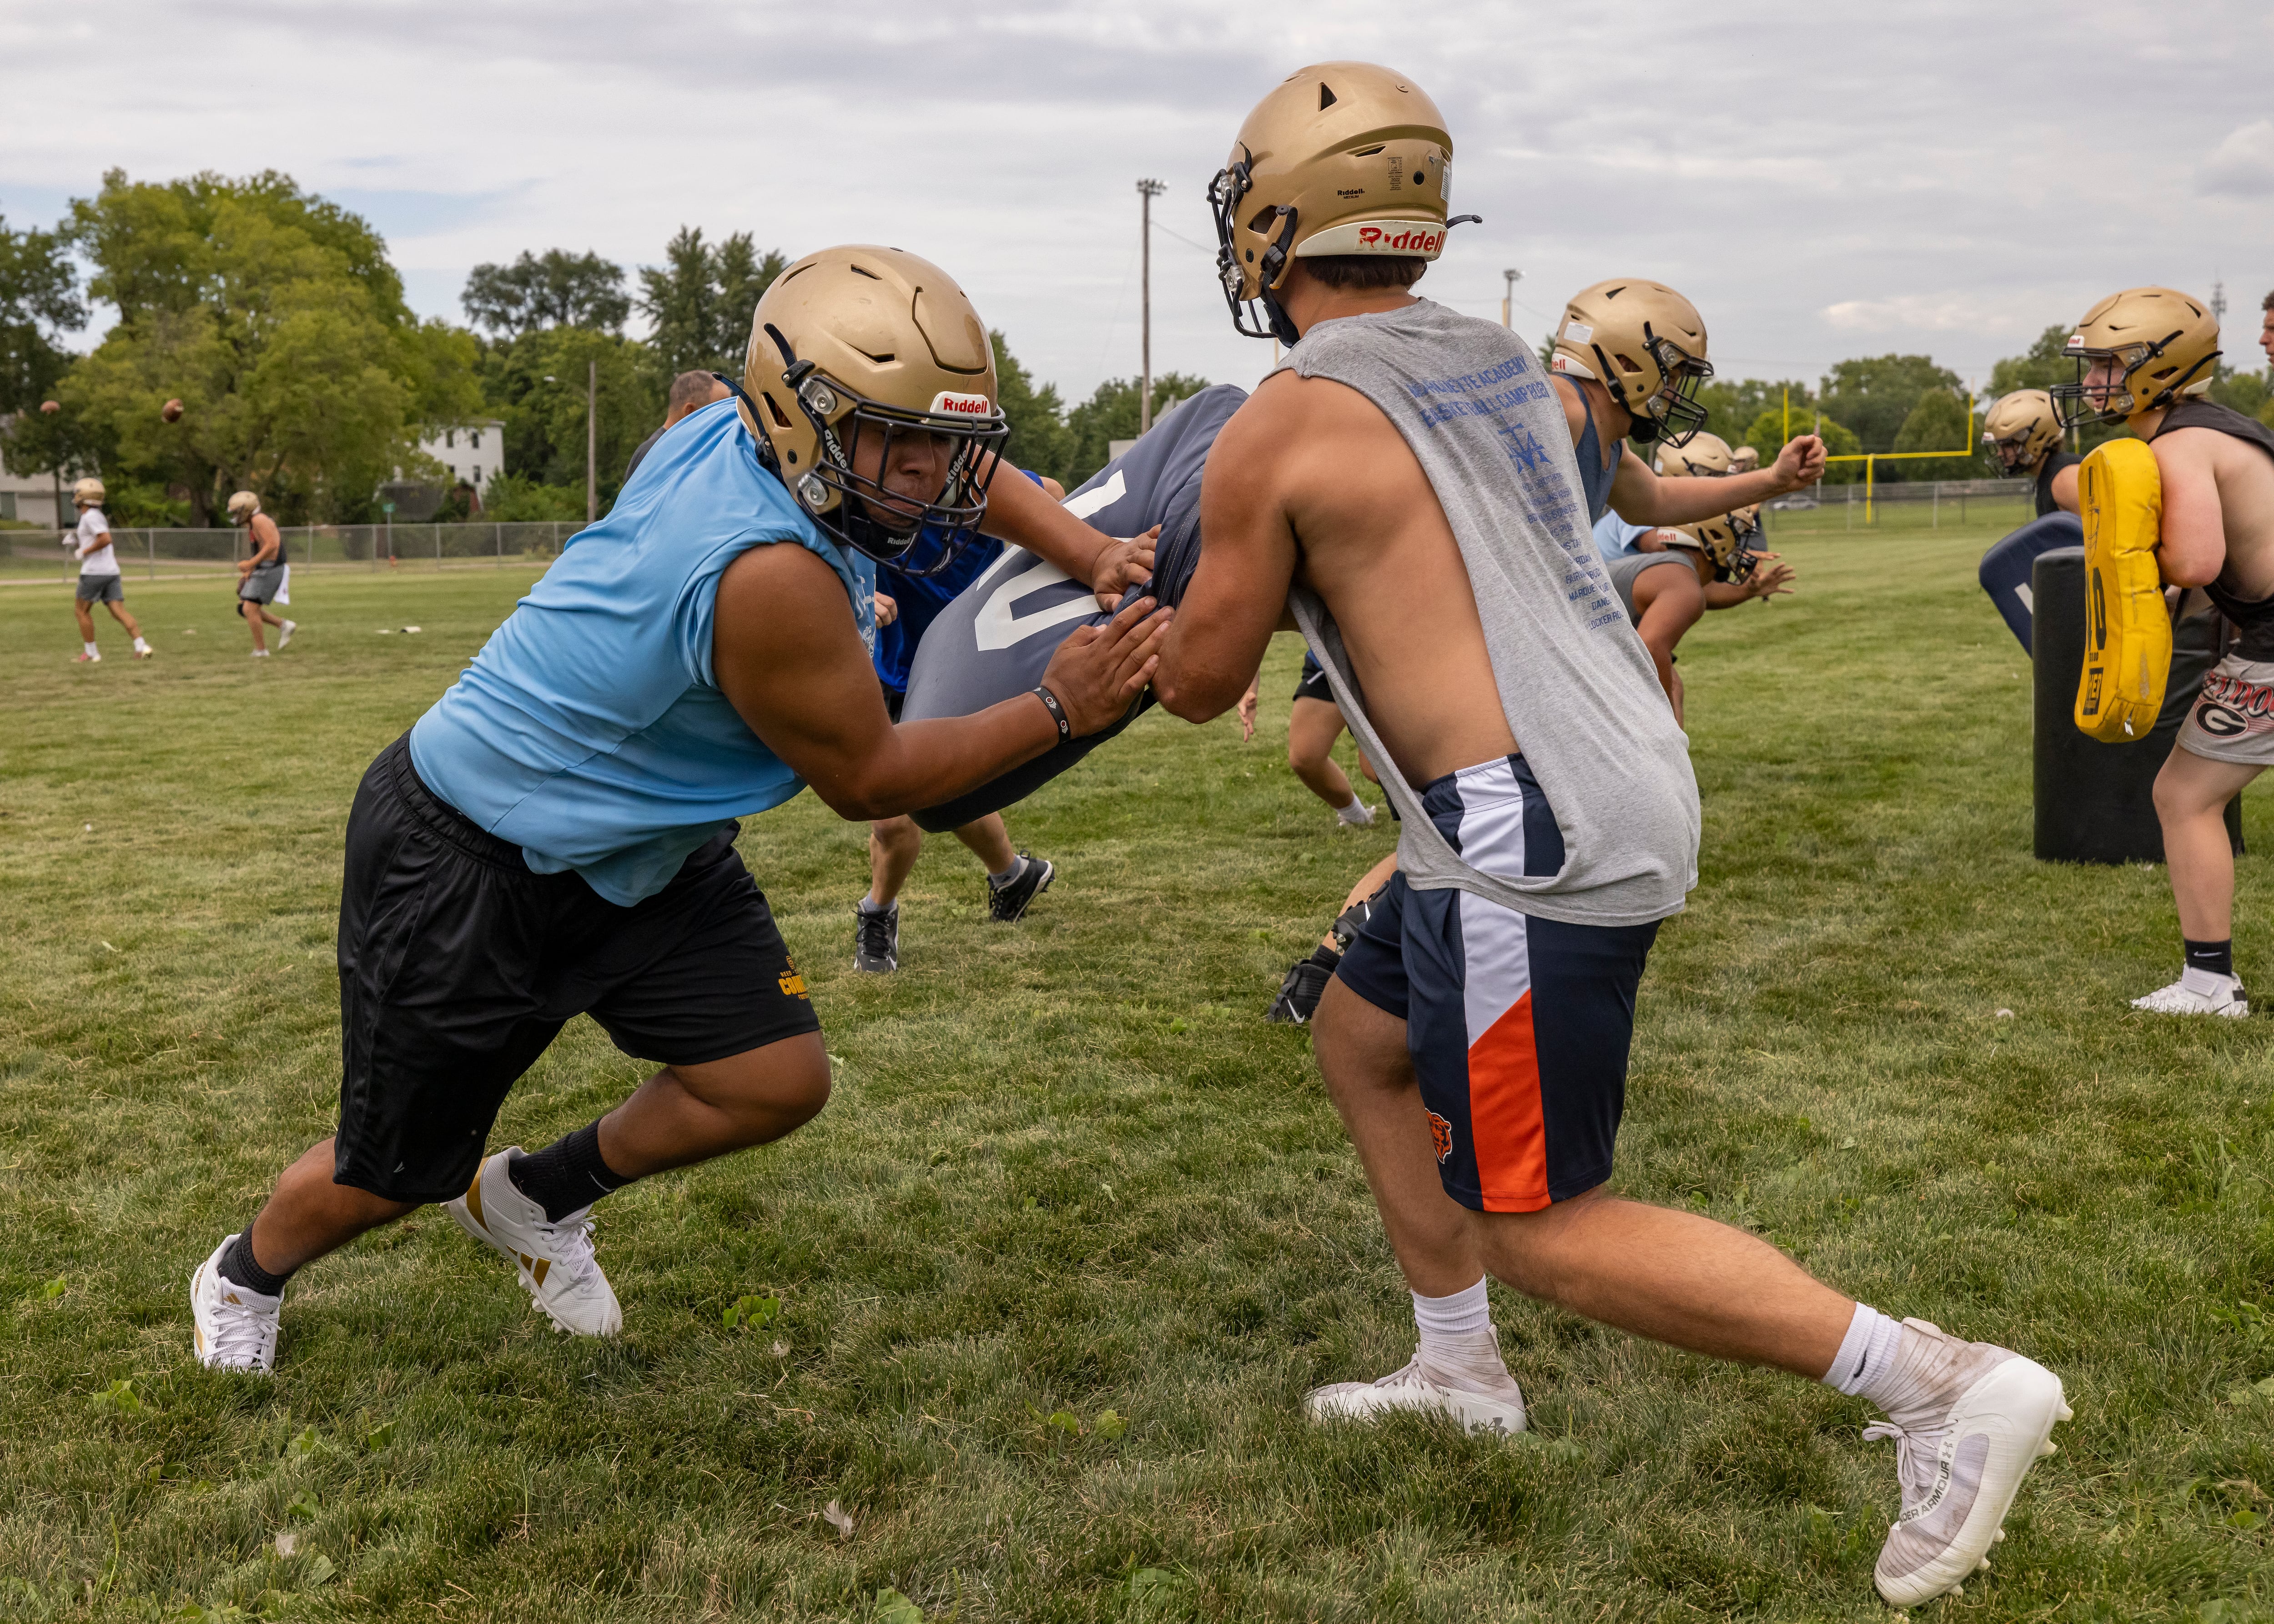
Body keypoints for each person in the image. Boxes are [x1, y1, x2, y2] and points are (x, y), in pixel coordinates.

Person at [1150, 63, 2070, 1609]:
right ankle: (1460, 1378)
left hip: (1522, 834)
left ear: (1275, 223)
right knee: (1363, 1040)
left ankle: (1933, 1384)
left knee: (1545, 1226)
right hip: (1583, 784)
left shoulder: (1285, 424)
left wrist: (1114, 614)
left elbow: (1193, 684)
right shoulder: (1511, 365)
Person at [188, 245, 1170, 1376]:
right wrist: (1060, 705)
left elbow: (944, 471)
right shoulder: (768, 573)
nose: (928, 475)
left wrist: (1088, 548)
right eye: (896, 443)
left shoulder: (736, 424)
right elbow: (875, 779)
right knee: (389, 1174)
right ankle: (243, 1270)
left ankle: (532, 1198)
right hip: (472, 852)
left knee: (771, 1076)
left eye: (940, 439)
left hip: (640, 850)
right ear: (804, 427)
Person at [2050, 287, 2274, 1018]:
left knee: (2184, 796)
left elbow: (2199, 562)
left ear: (2160, 365)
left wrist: (2128, 538)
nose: (2090, 384)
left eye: (2106, 366)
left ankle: (2211, 984)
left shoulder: (2177, 444)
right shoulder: (2219, 429)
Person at [852, 470, 1071, 974]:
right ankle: (1013, 875)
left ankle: (877, 912)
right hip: (892, 662)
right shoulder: (863, 477)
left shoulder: (976, 485)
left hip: (954, 663)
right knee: (936, 789)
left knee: (897, 807)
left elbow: (1056, 497)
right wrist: (858, 595)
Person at [1972, 389, 2082, 652]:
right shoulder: (2048, 476)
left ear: (2037, 437)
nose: (2001, 454)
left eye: (2008, 444)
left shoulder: (2065, 479)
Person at [62, 477, 153, 663]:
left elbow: (105, 539)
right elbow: (98, 538)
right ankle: (141, 646)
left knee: (81, 611)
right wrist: (77, 541)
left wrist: (83, 551)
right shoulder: (96, 516)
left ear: (81, 496)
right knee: (118, 610)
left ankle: (91, 653)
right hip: (111, 571)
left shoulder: (90, 516)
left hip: (95, 572)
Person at [1283, 652, 1378, 826]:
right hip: (1328, 664)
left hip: (1384, 662)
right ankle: (1356, 818)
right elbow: (1249, 630)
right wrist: (1250, 691)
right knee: (1306, 757)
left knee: (1377, 769)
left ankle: (1437, 813)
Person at [624, 370, 733, 483]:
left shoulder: (691, 451)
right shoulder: (652, 455)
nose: (727, 419)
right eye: (720, 411)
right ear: (691, 412)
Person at [228, 491, 297, 657]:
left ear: (246, 510)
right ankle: (283, 625)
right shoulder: (253, 522)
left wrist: (250, 564)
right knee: (243, 608)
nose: (235, 516)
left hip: (270, 568)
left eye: (237, 511)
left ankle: (261, 650)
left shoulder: (259, 519)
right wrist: (250, 571)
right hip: (263, 568)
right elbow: (262, 548)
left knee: (250, 608)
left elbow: (272, 545)